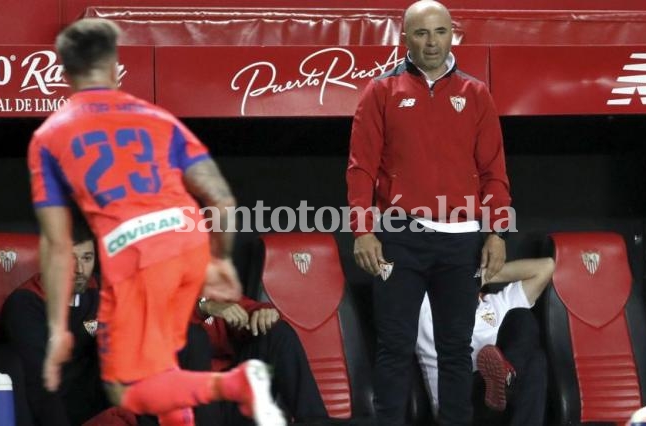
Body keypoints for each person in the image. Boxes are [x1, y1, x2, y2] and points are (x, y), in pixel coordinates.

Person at [27, 18, 284, 426]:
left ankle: (232, 385)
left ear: (64, 73)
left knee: (127, 387)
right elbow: (220, 198)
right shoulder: (158, 118)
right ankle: (232, 386)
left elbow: (58, 245)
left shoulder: (49, 137)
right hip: (185, 242)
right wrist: (217, 261)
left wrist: (58, 327)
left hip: (136, 255)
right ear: (114, 69)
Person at [346, 1, 511, 424]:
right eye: (421, 33)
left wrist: (496, 233)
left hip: (461, 241)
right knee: (394, 346)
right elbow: (361, 167)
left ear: (451, 34)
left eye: (439, 32)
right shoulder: (381, 91)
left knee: (456, 348)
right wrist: (363, 230)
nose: (432, 42)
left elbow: (494, 171)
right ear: (405, 38)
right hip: (399, 238)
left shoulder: (476, 93)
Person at [0, 228, 135, 426]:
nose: (79, 269)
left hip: (94, 403)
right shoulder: (26, 303)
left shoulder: (102, 291)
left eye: (87, 258)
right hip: (47, 407)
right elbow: (39, 380)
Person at [416, 258, 553, 426]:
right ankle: (504, 381)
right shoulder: (425, 308)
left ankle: (505, 379)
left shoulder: (497, 304)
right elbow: (389, 270)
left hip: (504, 405)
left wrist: (482, 276)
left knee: (523, 320)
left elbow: (546, 267)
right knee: (535, 361)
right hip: (461, 402)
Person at [189, 297, 328, 424]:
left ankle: (315, 421)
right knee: (194, 337)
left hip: (231, 394)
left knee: (278, 333)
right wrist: (203, 307)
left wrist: (263, 314)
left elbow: (239, 308)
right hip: (192, 401)